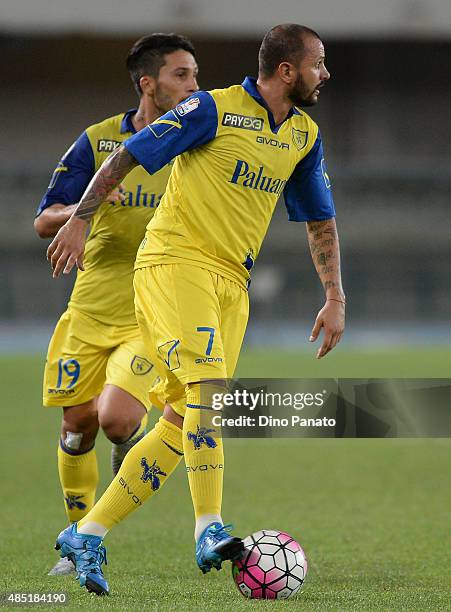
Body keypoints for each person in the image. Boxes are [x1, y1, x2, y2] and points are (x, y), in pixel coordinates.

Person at [47, 24, 345, 596]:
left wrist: (334, 295)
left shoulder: (304, 135)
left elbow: (320, 219)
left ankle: (89, 531)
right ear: (287, 71)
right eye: (318, 63)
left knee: (186, 420)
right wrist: (81, 218)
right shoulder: (213, 110)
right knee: (208, 393)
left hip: (232, 282)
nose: (325, 73)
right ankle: (209, 527)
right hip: (174, 262)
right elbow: (129, 155)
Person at [35, 33, 199, 576]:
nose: (193, 85)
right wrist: (88, 204)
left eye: (195, 74)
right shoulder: (98, 141)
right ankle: (74, 537)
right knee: (77, 425)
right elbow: (43, 219)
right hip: (88, 308)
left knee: (116, 416)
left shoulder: (195, 142)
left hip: (151, 309)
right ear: (148, 83)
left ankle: (93, 530)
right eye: (182, 75)